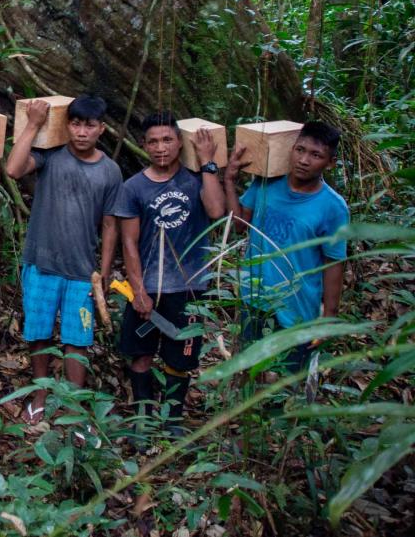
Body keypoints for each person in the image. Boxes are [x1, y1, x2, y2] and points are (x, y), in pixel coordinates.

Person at [4, 96, 123, 424]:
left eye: (89, 125)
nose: (82, 132)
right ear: (66, 125)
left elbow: (111, 223)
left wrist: (105, 271)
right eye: (75, 123)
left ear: (102, 128)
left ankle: (72, 408)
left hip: (82, 271)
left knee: (77, 339)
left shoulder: (111, 171)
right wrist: (33, 124)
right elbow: (13, 169)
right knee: (39, 332)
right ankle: (41, 394)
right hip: (41, 263)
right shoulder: (51, 155)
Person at [114, 111, 225, 431]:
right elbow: (130, 243)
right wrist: (138, 291)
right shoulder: (134, 187)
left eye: (167, 140)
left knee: (181, 358)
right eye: (153, 141)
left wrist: (208, 162)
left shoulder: (195, 180)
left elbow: (217, 211)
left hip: (188, 288)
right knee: (140, 354)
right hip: (148, 286)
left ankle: (173, 419)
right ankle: (143, 418)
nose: (160, 147)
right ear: (144, 145)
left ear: (180, 143)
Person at [224, 121, 349, 373]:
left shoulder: (333, 207)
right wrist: (229, 178)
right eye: (300, 150)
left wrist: (329, 317)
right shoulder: (266, 183)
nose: (304, 160)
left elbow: (333, 263)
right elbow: (239, 225)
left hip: (296, 308)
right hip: (253, 296)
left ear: (330, 162)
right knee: (247, 371)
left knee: (283, 382)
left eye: (316, 155)